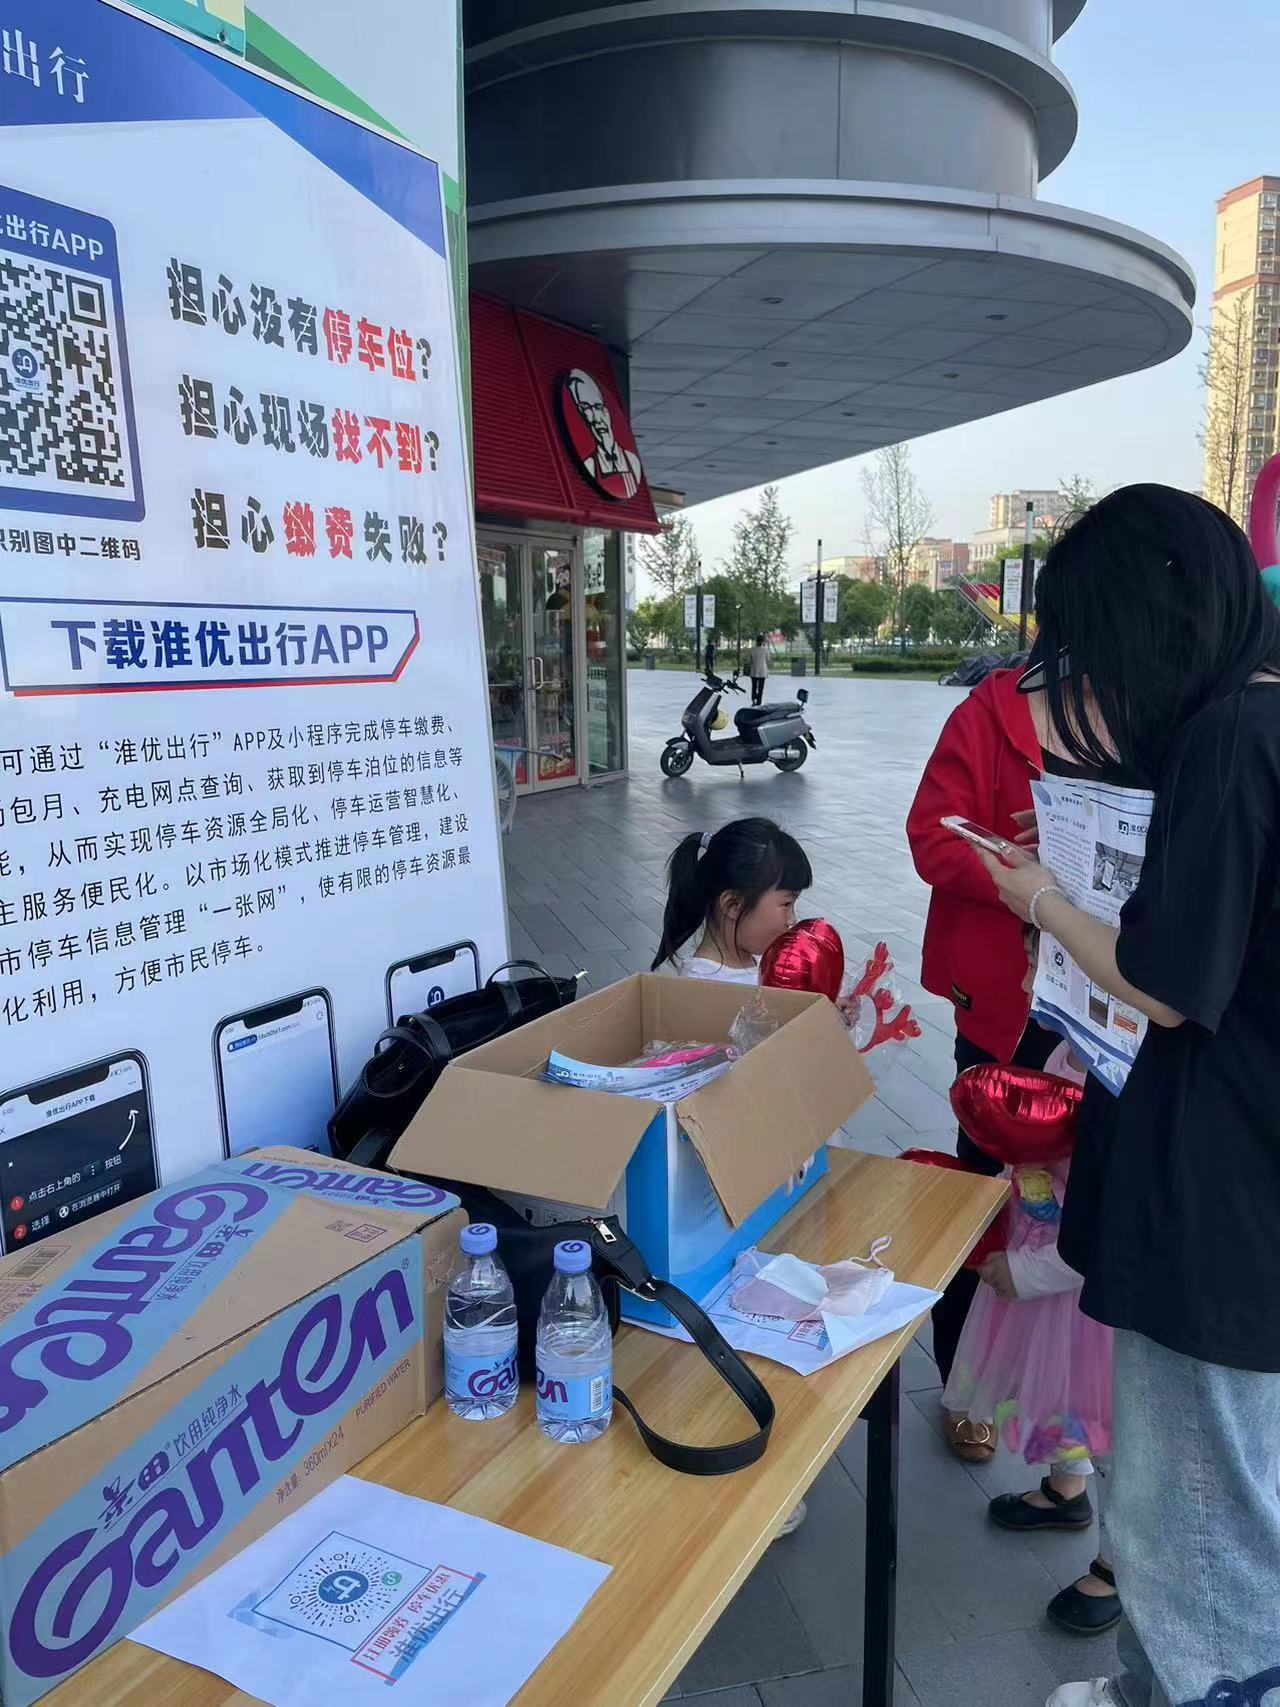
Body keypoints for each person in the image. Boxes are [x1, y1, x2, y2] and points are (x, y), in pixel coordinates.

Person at [966, 485, 1280, 1707]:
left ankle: (1199, 1690)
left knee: (1191, 1519)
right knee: (1214, 1495)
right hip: (1248, 1184)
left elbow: (1161, 984)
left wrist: (1038, 896)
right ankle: (1151, 1687)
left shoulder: (1228, 739)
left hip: (1214, 1201)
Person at [906, 662, 1055, 1459]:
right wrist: (1027, 883)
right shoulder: (989, 714)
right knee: (984, 1188)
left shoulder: (1149, 712)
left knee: (1073, 1200)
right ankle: (964, 1382)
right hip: (1002, 997)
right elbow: (932, 836)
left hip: (1105, 999)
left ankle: (1061, 1390)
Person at [652, 816, 813, 1535]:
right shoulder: (704, 992)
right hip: (731, 1195)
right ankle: (751, 1479)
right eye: (784, 903)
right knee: (740, 1328)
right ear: (730, 906)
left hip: (774, 1183)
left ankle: (768, 1462)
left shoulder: (761, 972)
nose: (794, 919)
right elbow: (718, 1105)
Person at [944, 1041, 1120, 1638]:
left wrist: (1030, 1271)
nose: (1032, 996)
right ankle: (1067, 1490)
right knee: (1058, 1391)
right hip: (1047, 1259)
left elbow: (1115, 1221)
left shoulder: (1132, 1071)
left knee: (1111, 1427)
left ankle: (1120, 1565)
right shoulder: (1070, 1046)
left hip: (1091, 1293)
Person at [748, 635, 769, 707]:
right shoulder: (765, 649)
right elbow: (767, 659)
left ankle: (753, 699)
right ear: (763, 641)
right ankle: (759, 701)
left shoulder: (752, 649)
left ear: (756, 640)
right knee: (760, 688)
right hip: (763, 671)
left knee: (754, 687)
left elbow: (750, 660)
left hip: (754, 670)